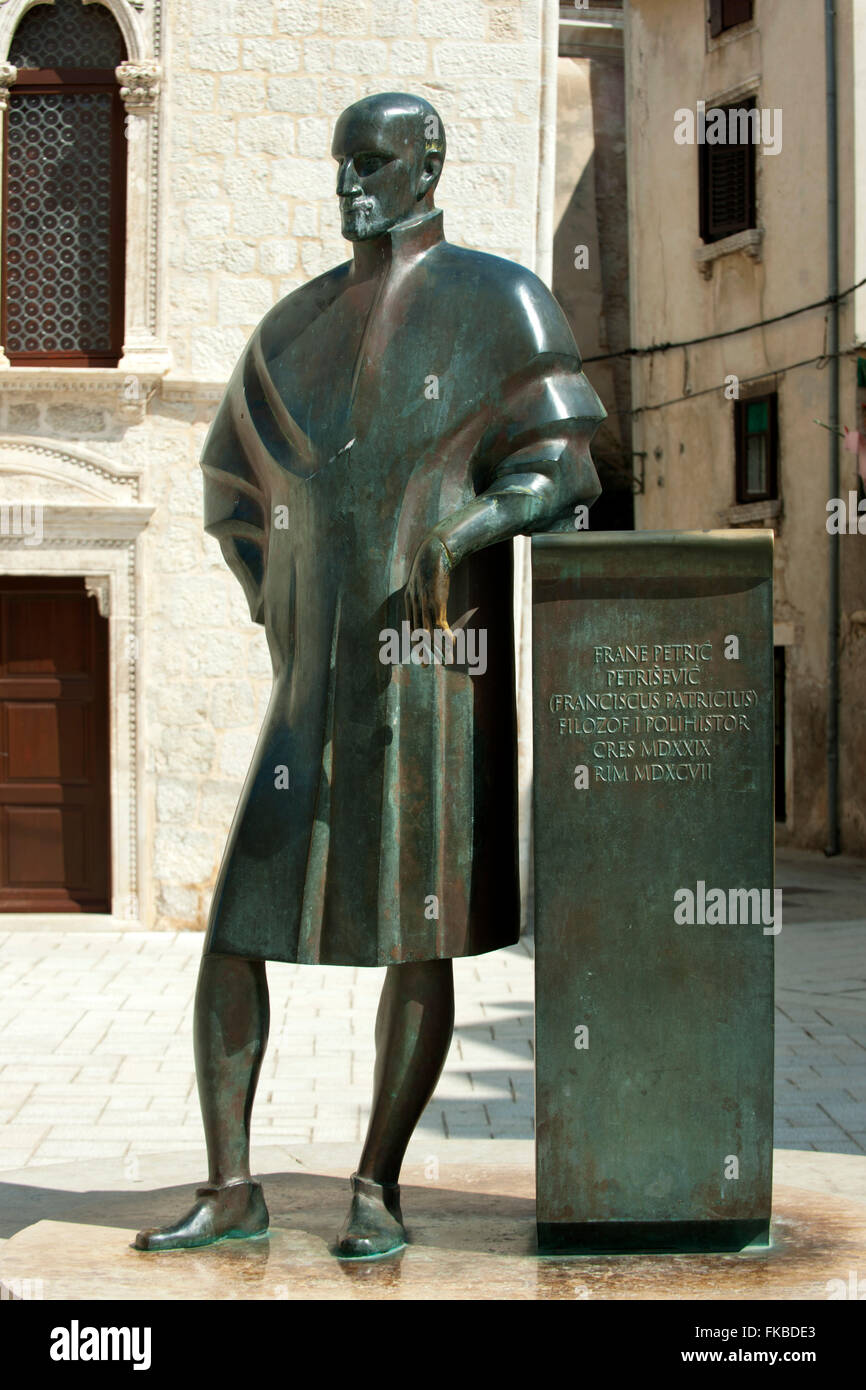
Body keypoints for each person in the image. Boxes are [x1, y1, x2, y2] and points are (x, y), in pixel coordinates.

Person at [135, 91, 605, 1260]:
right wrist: (276, 606)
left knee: (418, 931)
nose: (351, 182)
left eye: (374, 161)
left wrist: (480, 519)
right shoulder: (289, 325)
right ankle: (231, 1182)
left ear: (427, 164)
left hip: (430, 677)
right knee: (237, 928)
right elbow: (229, 491)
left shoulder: (496, 300)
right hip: (313, 689)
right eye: (342, 160)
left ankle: (376, 1184)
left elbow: (565, 466)